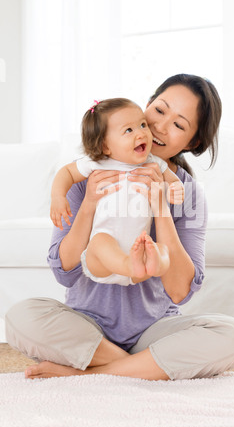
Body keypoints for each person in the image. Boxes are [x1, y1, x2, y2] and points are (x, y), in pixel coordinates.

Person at [5, 74, 234, 381]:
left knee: (233, 335)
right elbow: (64, 271)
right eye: (160, 111)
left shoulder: (185, 191)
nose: (160, 128)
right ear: (145, 107)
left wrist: (161, 207)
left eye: (179, 124)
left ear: (193, 142)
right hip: (87, 325)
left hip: (154, 330)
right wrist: (91, 203)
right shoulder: (88, 175)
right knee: (20, 317)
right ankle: (142, 367)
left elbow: (179, 291)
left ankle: (87, 372)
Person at [50, 98, 183, 286]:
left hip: (138, 255)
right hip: (101, 263)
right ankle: (129, 264)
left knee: (161, 249)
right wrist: (58, 197)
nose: (141, 133)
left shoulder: (153, 163)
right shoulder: (98, 163)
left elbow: (173, 180)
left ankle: (151, 265)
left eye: (143, 125)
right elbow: (66, 173)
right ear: (105, 146)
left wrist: (175, 189)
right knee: (100, 242)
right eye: (129, 130)